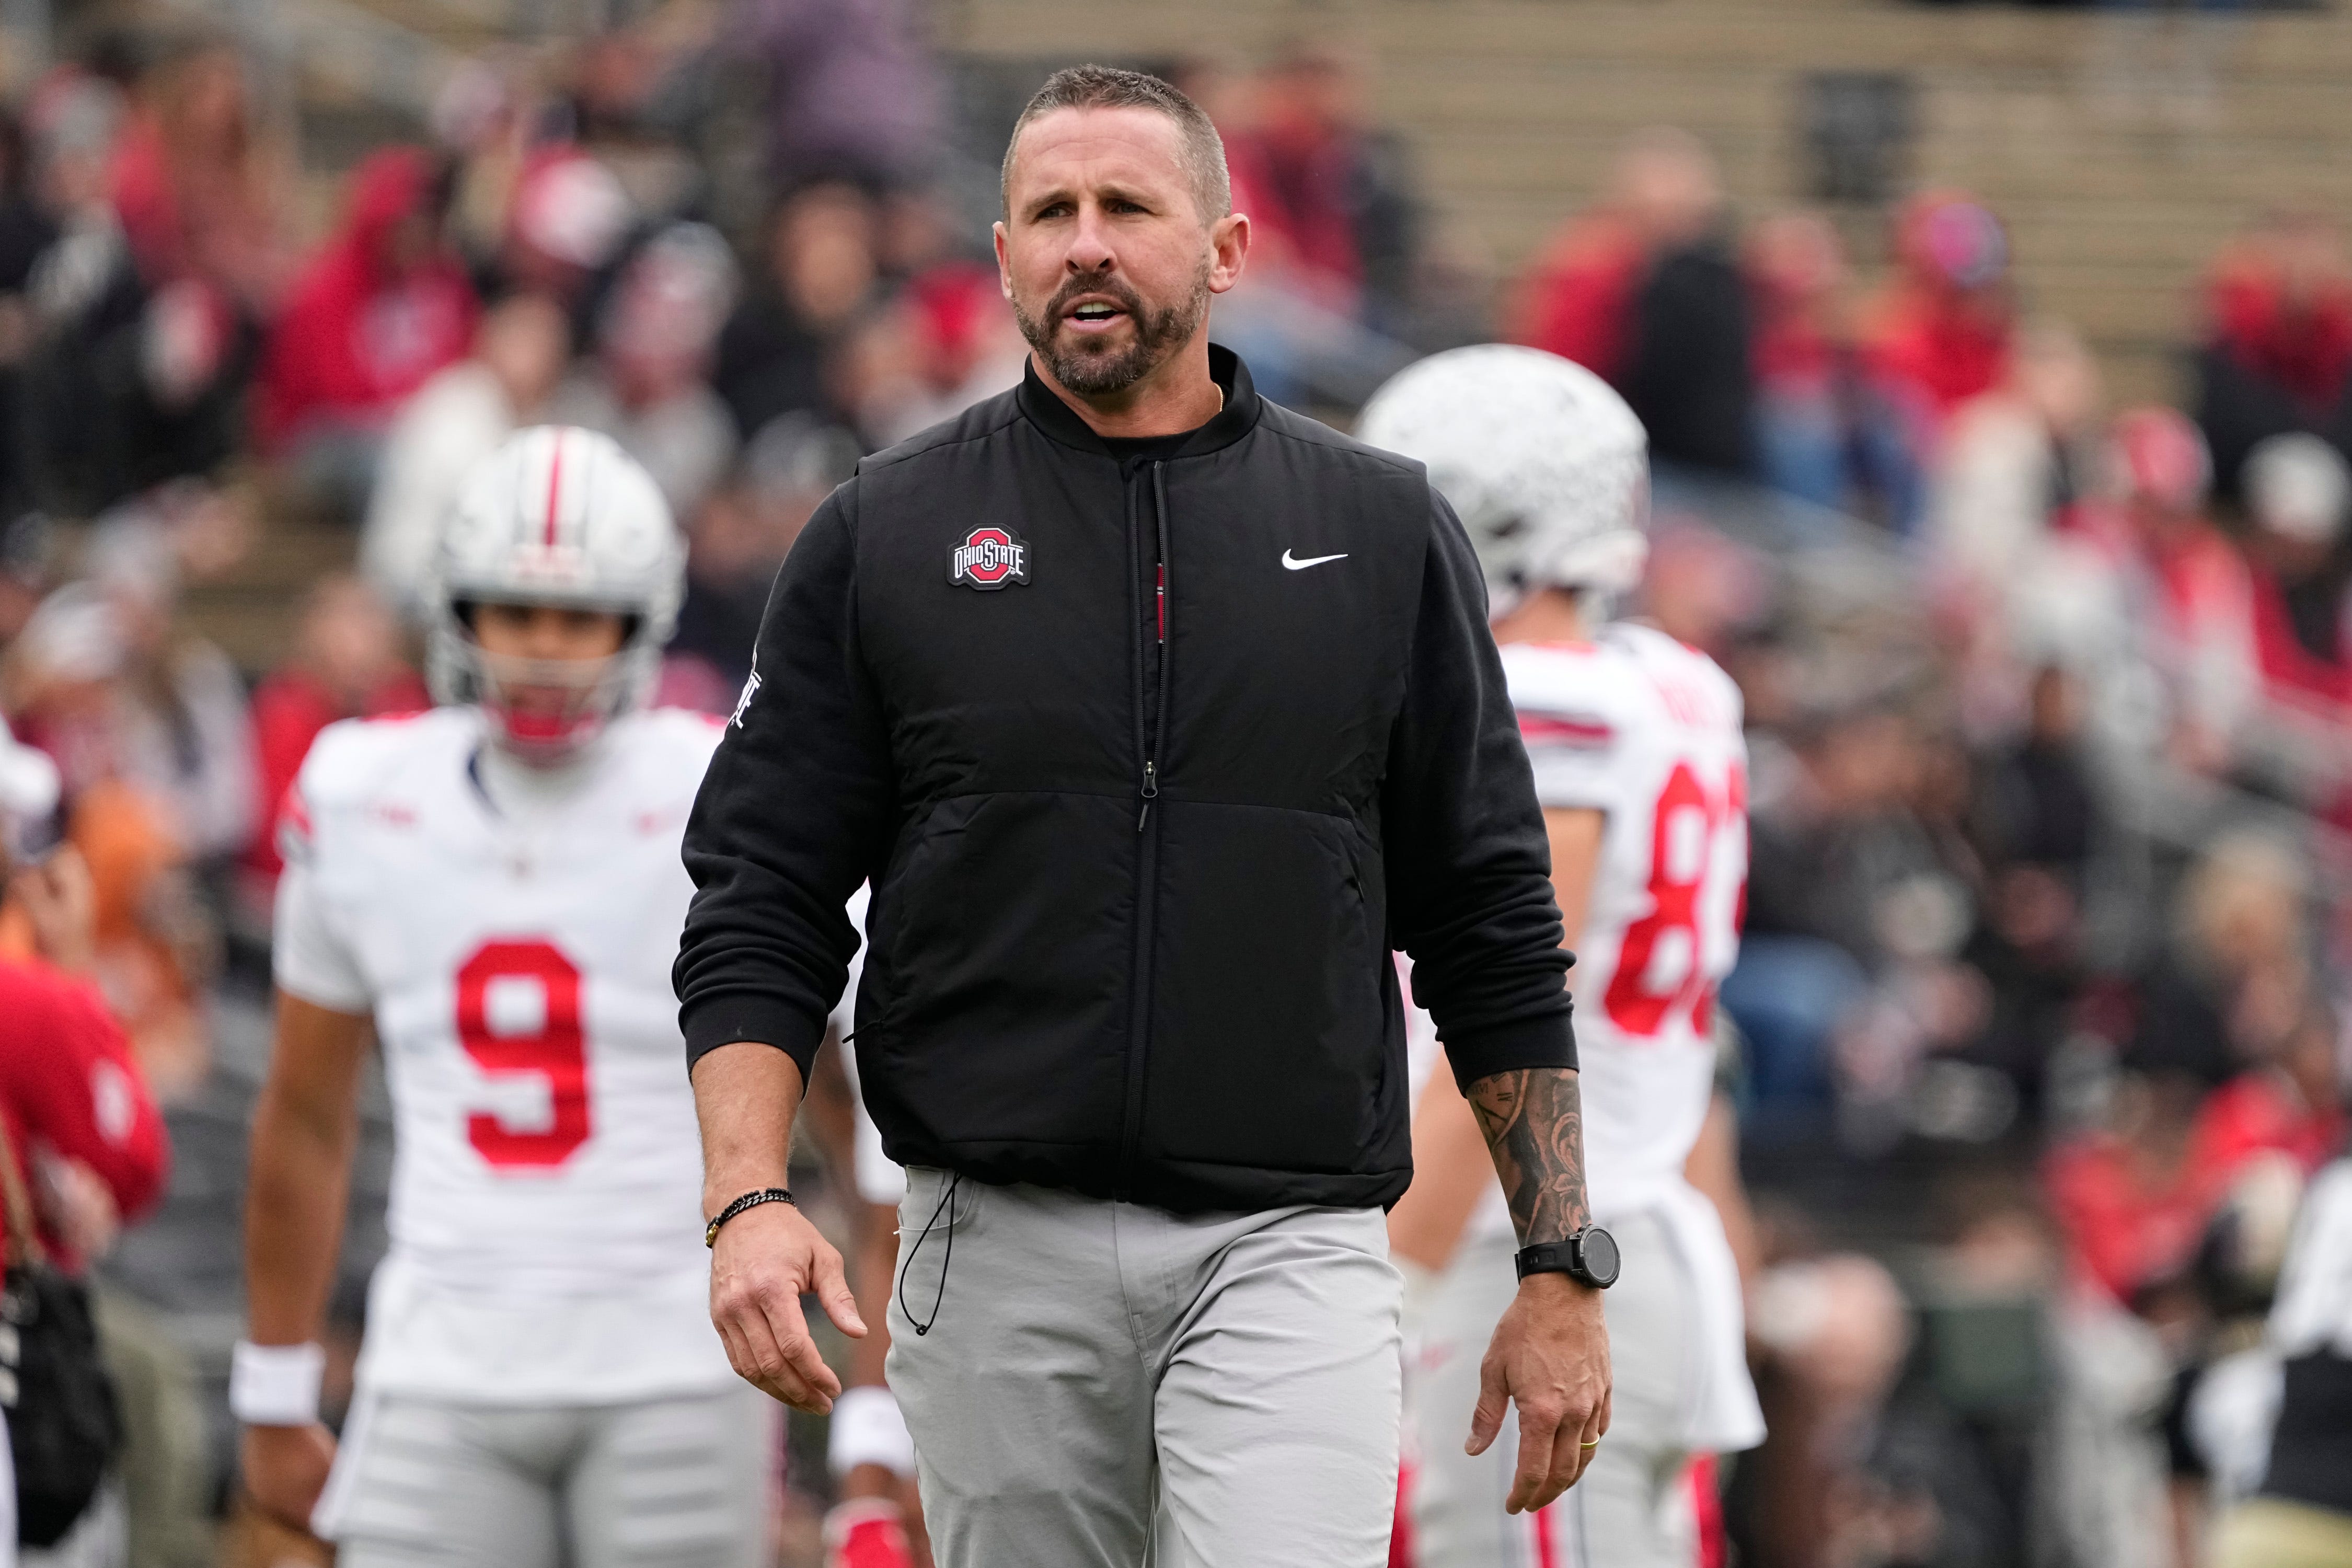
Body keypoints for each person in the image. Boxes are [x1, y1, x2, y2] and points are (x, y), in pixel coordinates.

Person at [677, 64, 1604, 1567]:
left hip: (1288, 1242)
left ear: (1229, 250)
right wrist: (746, 1199)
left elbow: (1491, 921)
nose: (1085, 245)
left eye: (1127, 206)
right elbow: (757, 897)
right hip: (992, 1233)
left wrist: (1559, 1259)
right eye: (1049, 211)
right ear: (999, 257)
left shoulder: (1378, 530)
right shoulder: (888, 530)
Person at [235, 427, 769, 1566]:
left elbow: (845, 1098)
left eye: (581, 618)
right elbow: (306, 1116)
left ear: (643, 621)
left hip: (677, 1353)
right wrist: (273, 1384)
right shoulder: (363, 793)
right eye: (514, 611)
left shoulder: (720, 785)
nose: (544, 650)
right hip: (442, 1354)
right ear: (455, 611)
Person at [1361, 345, 1765, 1567]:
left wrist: (1376, 1292)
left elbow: (1507, 1009)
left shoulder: (1543, 698)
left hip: (1529, 1259)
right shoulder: (1676, 686)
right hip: (1642, 1245)